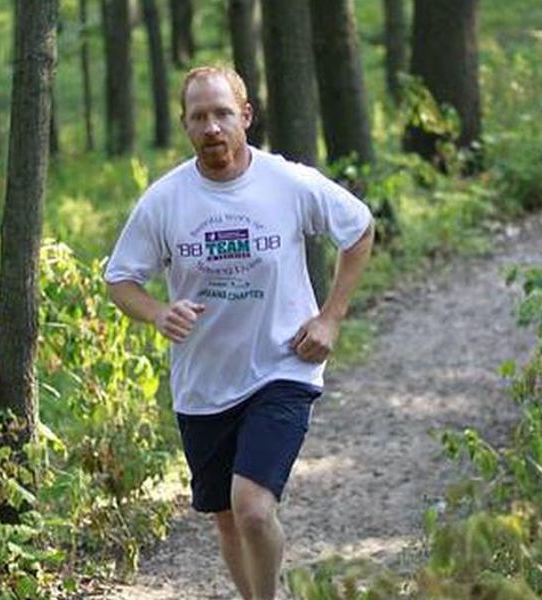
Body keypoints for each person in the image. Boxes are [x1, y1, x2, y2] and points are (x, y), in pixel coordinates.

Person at [105, 65, 374, 600]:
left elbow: (360, 228)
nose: (212, 128)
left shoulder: (287, 183)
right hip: (203, 383)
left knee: (252, 508)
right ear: (185, 125)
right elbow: (120, 279)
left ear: (245, 116)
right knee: (226, 519)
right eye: (199, 116)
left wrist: (331, 316)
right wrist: (157, 311)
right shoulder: (166, 200)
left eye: (223, 114)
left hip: (282, 366)